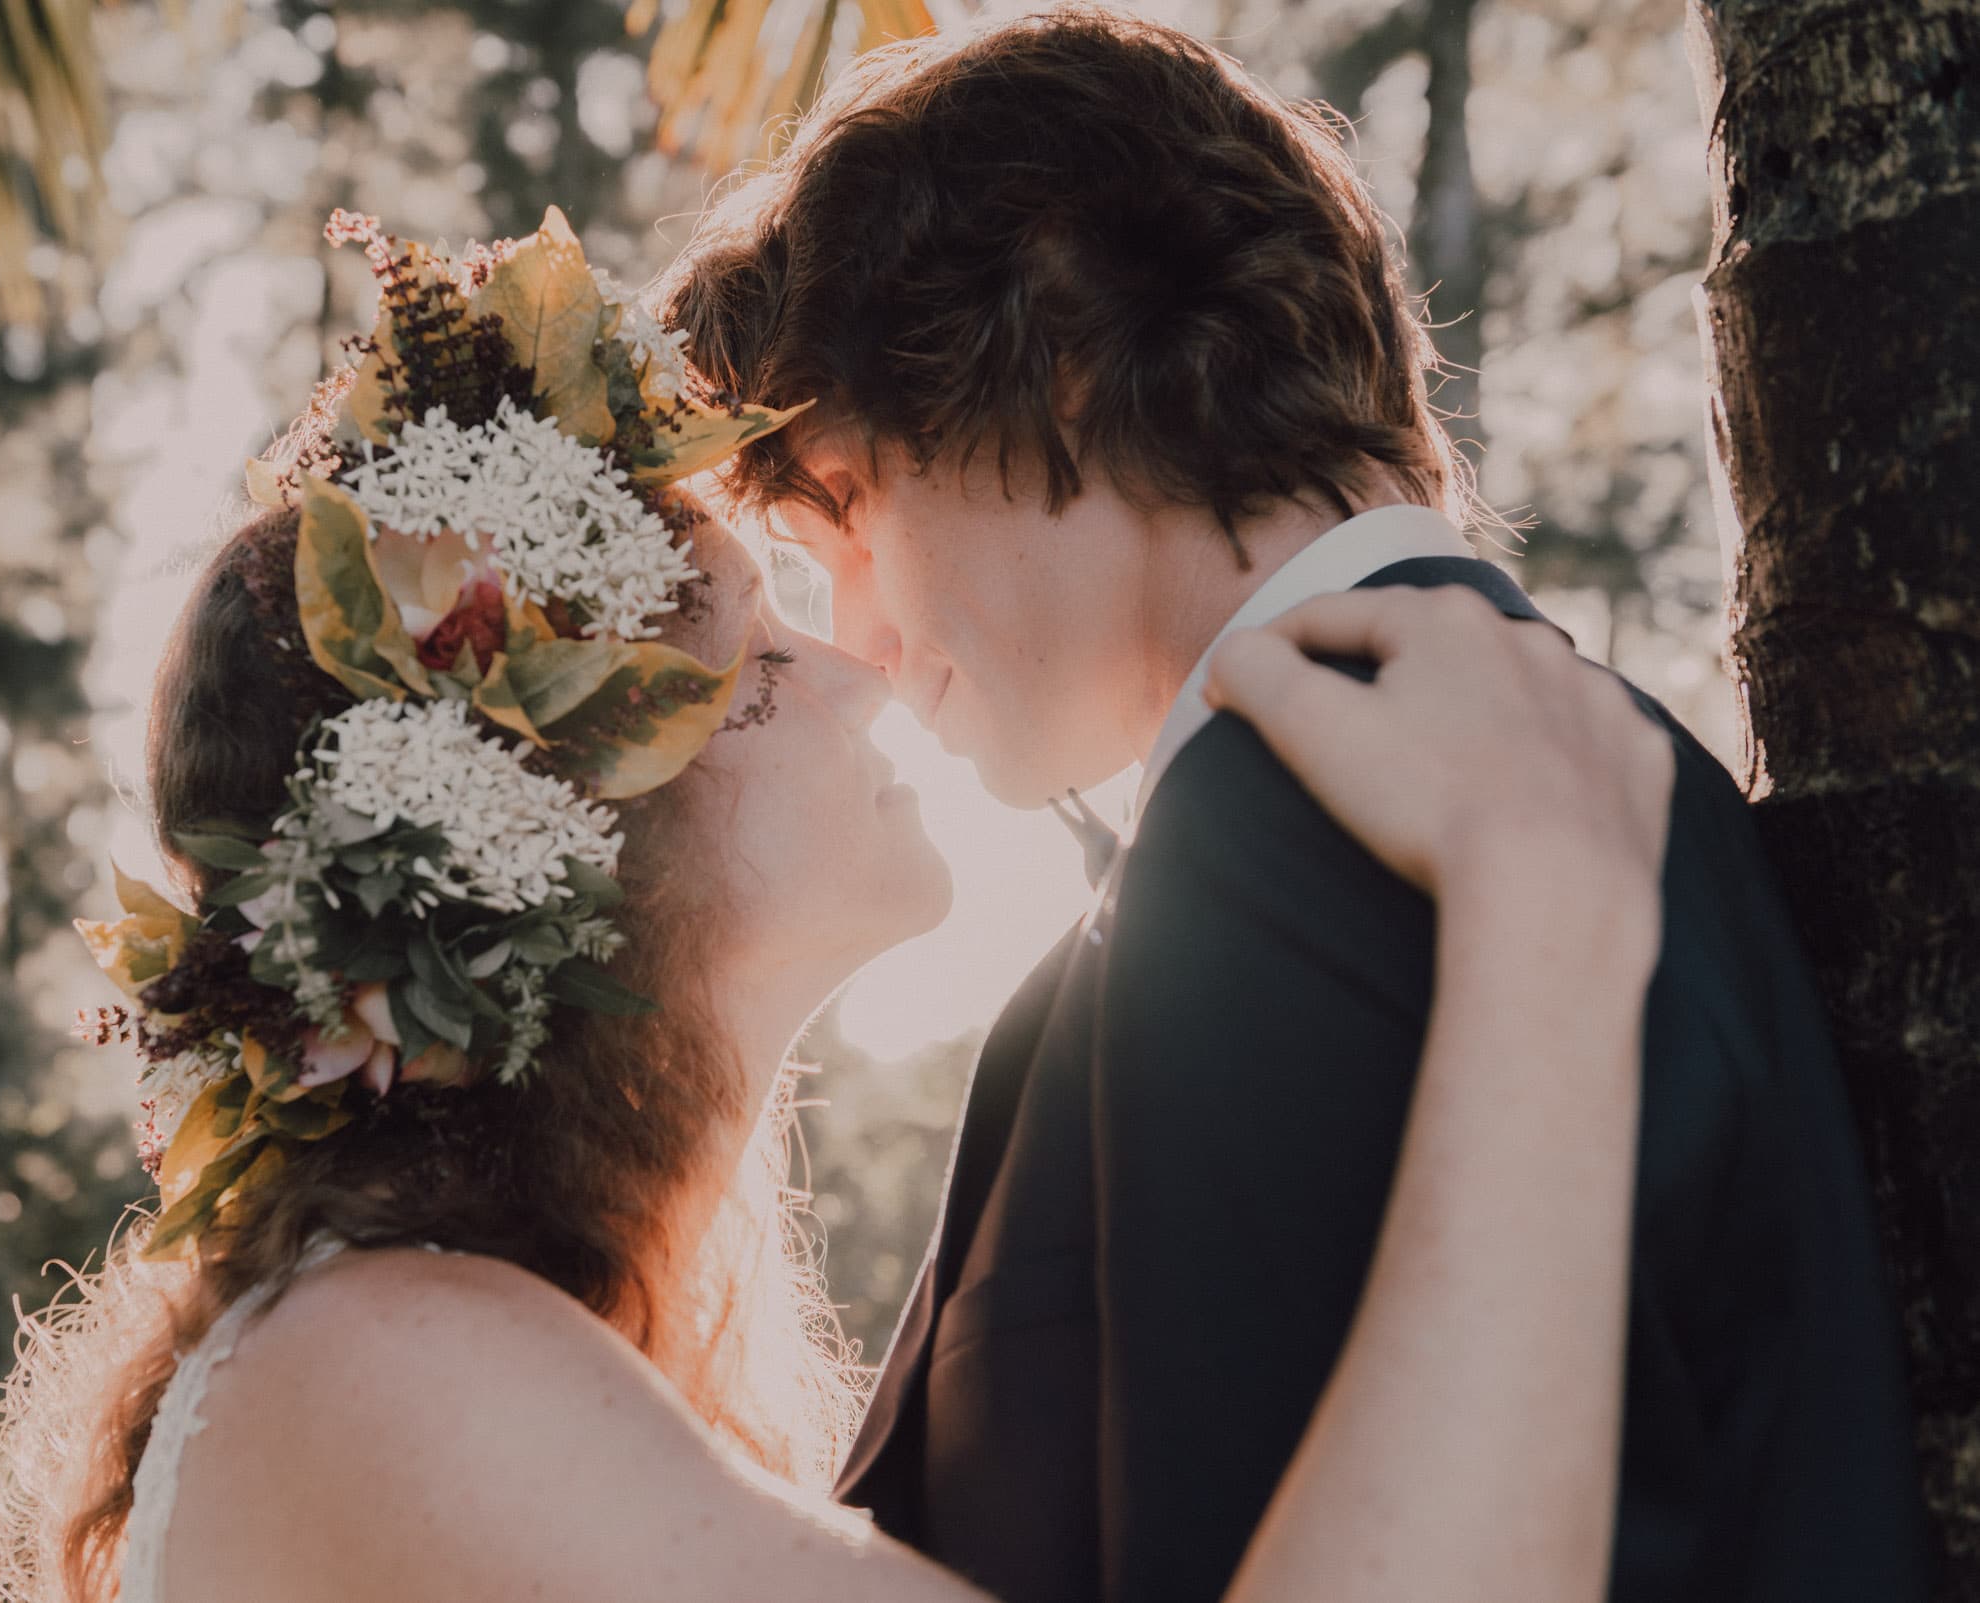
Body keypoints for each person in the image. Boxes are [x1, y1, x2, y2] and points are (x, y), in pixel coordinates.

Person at [0, 208, 1674, 1603]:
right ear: (553, 838)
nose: (854, 677)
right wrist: (1552, 930)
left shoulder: (521, 1363)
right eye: (757, 670)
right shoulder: (386, 1367)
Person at [654, 9, 1925, 1601]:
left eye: (843, 512)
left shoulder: (1322, 840)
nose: (853, 636)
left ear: (1052, 336)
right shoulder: (1545, 789)